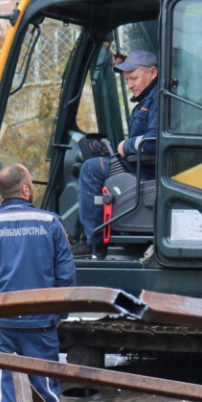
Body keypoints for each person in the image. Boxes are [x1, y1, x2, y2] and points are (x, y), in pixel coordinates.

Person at [0, 164, 75, 402]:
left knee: (7, 399)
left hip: (2, 328)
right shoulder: (51, 223)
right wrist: (56, 314)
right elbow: (66, 277)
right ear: (25, 189)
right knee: (46, 398)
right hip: (41, 326)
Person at [73, 49, 159, 257]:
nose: (129, 84)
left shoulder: (159, 99)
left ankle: (94, 243)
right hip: (141, 163)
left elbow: (155, 141)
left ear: (153, 72)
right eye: (127, 79)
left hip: (148, 169)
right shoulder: (148, 99)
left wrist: (125, 147)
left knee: (92, 169)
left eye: (134, 78)